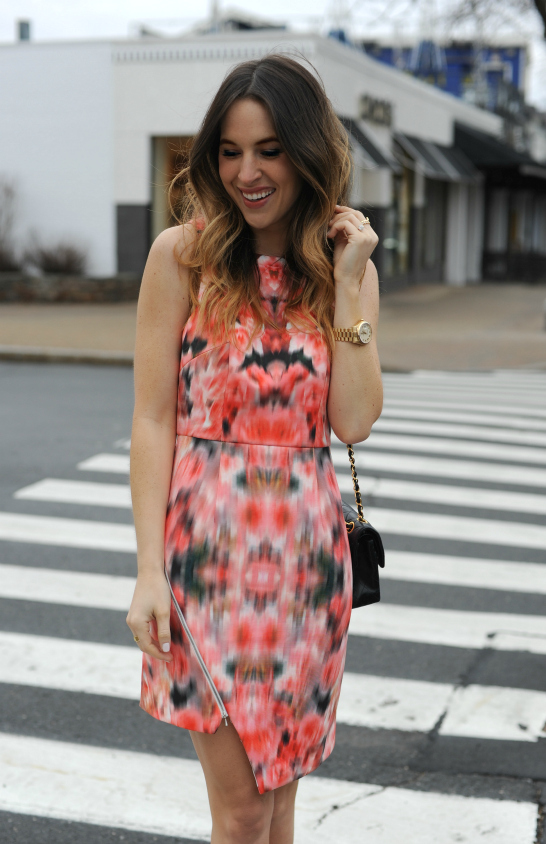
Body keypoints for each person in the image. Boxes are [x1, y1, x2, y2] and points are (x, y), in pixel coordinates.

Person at [126, 53, 383, 844]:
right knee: (240, 812)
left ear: (307, 151)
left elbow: (354, 420)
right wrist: (147, 572)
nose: (248, 171)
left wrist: (347, 283)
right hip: (208, 561)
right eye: (231, 151)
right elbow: (151, 420)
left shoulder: (345, 265)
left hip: (306, 569)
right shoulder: (183, 256)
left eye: (270, 149)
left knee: (277, 806)